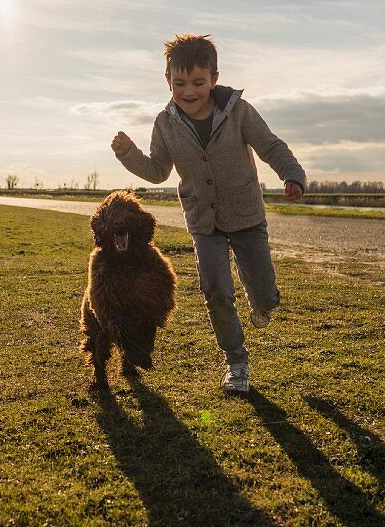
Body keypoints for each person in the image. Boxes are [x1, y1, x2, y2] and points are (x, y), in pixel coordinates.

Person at [111, 33, 306, 393]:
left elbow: (270, 145)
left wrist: (291, 174)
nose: (189, 91)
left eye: (198, 82)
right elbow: (157, 171)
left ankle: (262, 304)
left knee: (264, 293)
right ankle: (236, 363)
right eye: (180, 83)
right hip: (204, 222)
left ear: (213, 79)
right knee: (216, 290)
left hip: (246, 215)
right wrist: (128, 154)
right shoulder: (165, 124)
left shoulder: (238, 112)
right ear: (167, 80)